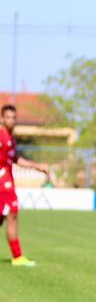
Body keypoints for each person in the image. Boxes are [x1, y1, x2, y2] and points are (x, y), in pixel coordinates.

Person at [0, 104, 49, 267]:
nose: (11, 120)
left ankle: (17, 256)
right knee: (12, 215)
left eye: (13, 117)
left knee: (3, 218)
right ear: (1, 118)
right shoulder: (0, 136)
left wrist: (37, 166)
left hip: (7, 181)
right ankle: (17, 256)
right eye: (7, 117)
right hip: (2, 183)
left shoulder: (11, 139)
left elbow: (16, 159)